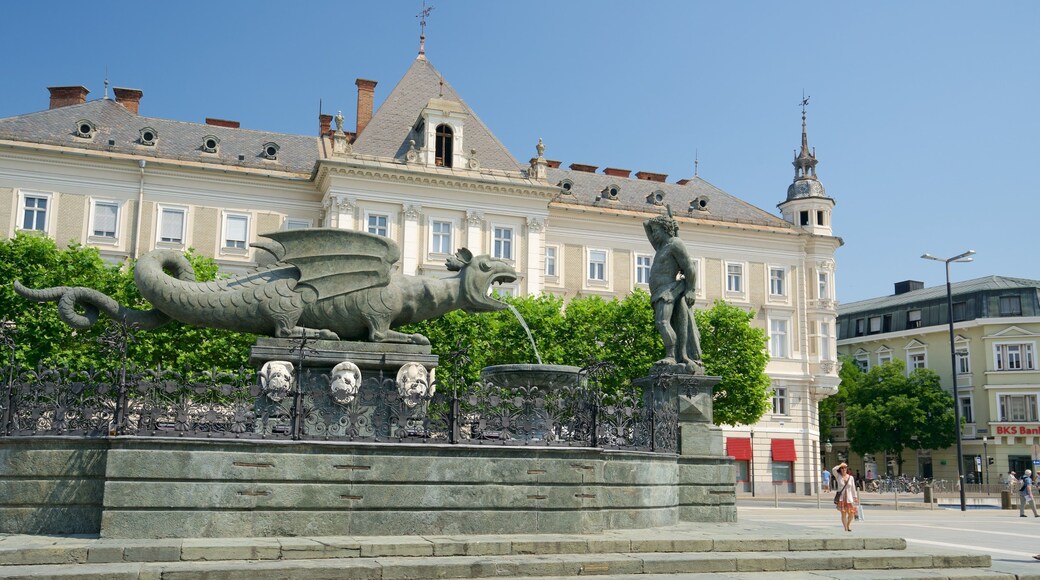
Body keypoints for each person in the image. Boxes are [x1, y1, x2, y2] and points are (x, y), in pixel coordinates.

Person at [643, 208, 703, 373]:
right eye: (654, 231)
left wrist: (691, 289)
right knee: (663, 323)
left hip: (668, 291)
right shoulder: (661, 246)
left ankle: (672, 356)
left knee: (662, 322)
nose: (653, 234)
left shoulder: (675, 243)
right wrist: (666, 223)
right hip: (658, 292)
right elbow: (646, 224)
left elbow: (689, 267)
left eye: (657, 231)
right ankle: (672, 355)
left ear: (665, 230)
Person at [832, 462, 859, 532]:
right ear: (840, 469)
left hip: (849, 498)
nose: (844, 469)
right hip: (841, 498)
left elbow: (853, 488)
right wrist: (840, 465)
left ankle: (848, 524)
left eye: (845, 468)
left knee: (851, 514)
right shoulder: (838, 476)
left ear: (847, 469)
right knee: (843, 513)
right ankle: (846, 528)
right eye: (842, 468)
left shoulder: (851, 477)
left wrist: (855, 497)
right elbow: (833, 470)